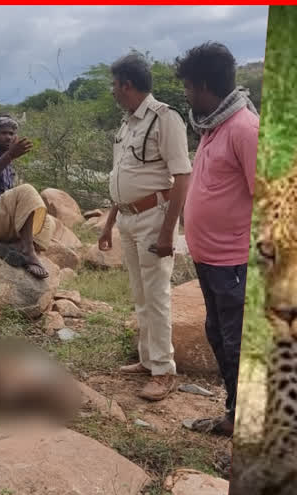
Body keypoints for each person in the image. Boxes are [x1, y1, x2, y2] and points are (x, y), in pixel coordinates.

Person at [176, 42, 259, 436]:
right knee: (220, 336)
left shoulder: (244, 128)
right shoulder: (212, 127)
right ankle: (233, 411)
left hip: (235, 264)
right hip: (209, 261)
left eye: (190, 87)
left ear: (206, 85)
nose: (187, 94)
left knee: (237, 343)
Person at [99, 53, 192, 401]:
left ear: (126, 84)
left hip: (154, 217)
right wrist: (108, 225)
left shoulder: (165, 118)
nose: (112, 91)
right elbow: (120, 178)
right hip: (126, 217)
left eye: (114, 84)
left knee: (156, 295)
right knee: (140, 294)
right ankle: (147, 359)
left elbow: (182, 176)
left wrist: (170, 231)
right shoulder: (127, 125)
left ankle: (165, 371)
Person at [0, 115, 53, 279]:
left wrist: (9, 157)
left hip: (1, 223)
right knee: (27, 189)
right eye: (4, 133)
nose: (9, 137)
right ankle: (28, 250)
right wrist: (10, 155)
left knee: (47, 220)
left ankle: (16, 247)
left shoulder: (8, 164)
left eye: (12, 133)